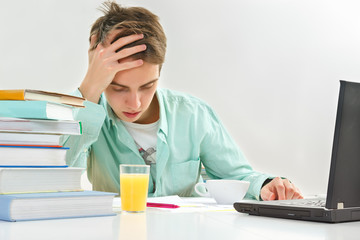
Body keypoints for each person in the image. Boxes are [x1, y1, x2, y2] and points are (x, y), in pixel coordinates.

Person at [63, 1, 303, 201]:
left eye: (147, 86)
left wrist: (266, 186)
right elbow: (57, 174)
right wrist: (89, 88)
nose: (135, 103)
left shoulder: (192, 114)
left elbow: (238, 176)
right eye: (118, 88)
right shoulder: (86, 114)